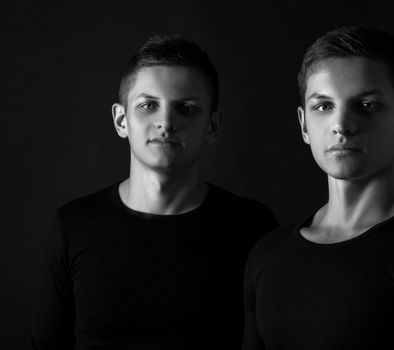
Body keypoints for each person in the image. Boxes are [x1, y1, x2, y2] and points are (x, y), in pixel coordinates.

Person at [243, 26, 394, 349]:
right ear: (304, 124)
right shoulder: (268, 255)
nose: (342, 125)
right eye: (324, 106)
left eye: (368, 105)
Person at [28, 34, 278, 349]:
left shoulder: (252, 227)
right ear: (121, 120)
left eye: (186, 108)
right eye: (149, 105)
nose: (166, 122)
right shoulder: (72, 225)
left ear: (212, 125)